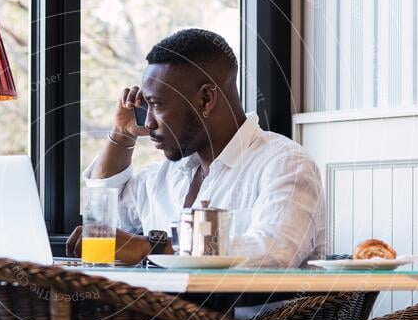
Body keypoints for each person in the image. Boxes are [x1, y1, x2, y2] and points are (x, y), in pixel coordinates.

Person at [66, 28, 326, 268]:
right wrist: (121, 135)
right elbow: (104, 213)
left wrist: (152, 247)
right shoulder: (167, 175)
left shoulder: (286, 164)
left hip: (254, 319)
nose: (148, 122)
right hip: (167, 316)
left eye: (156, 104)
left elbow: (274, 252)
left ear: (206, 99)